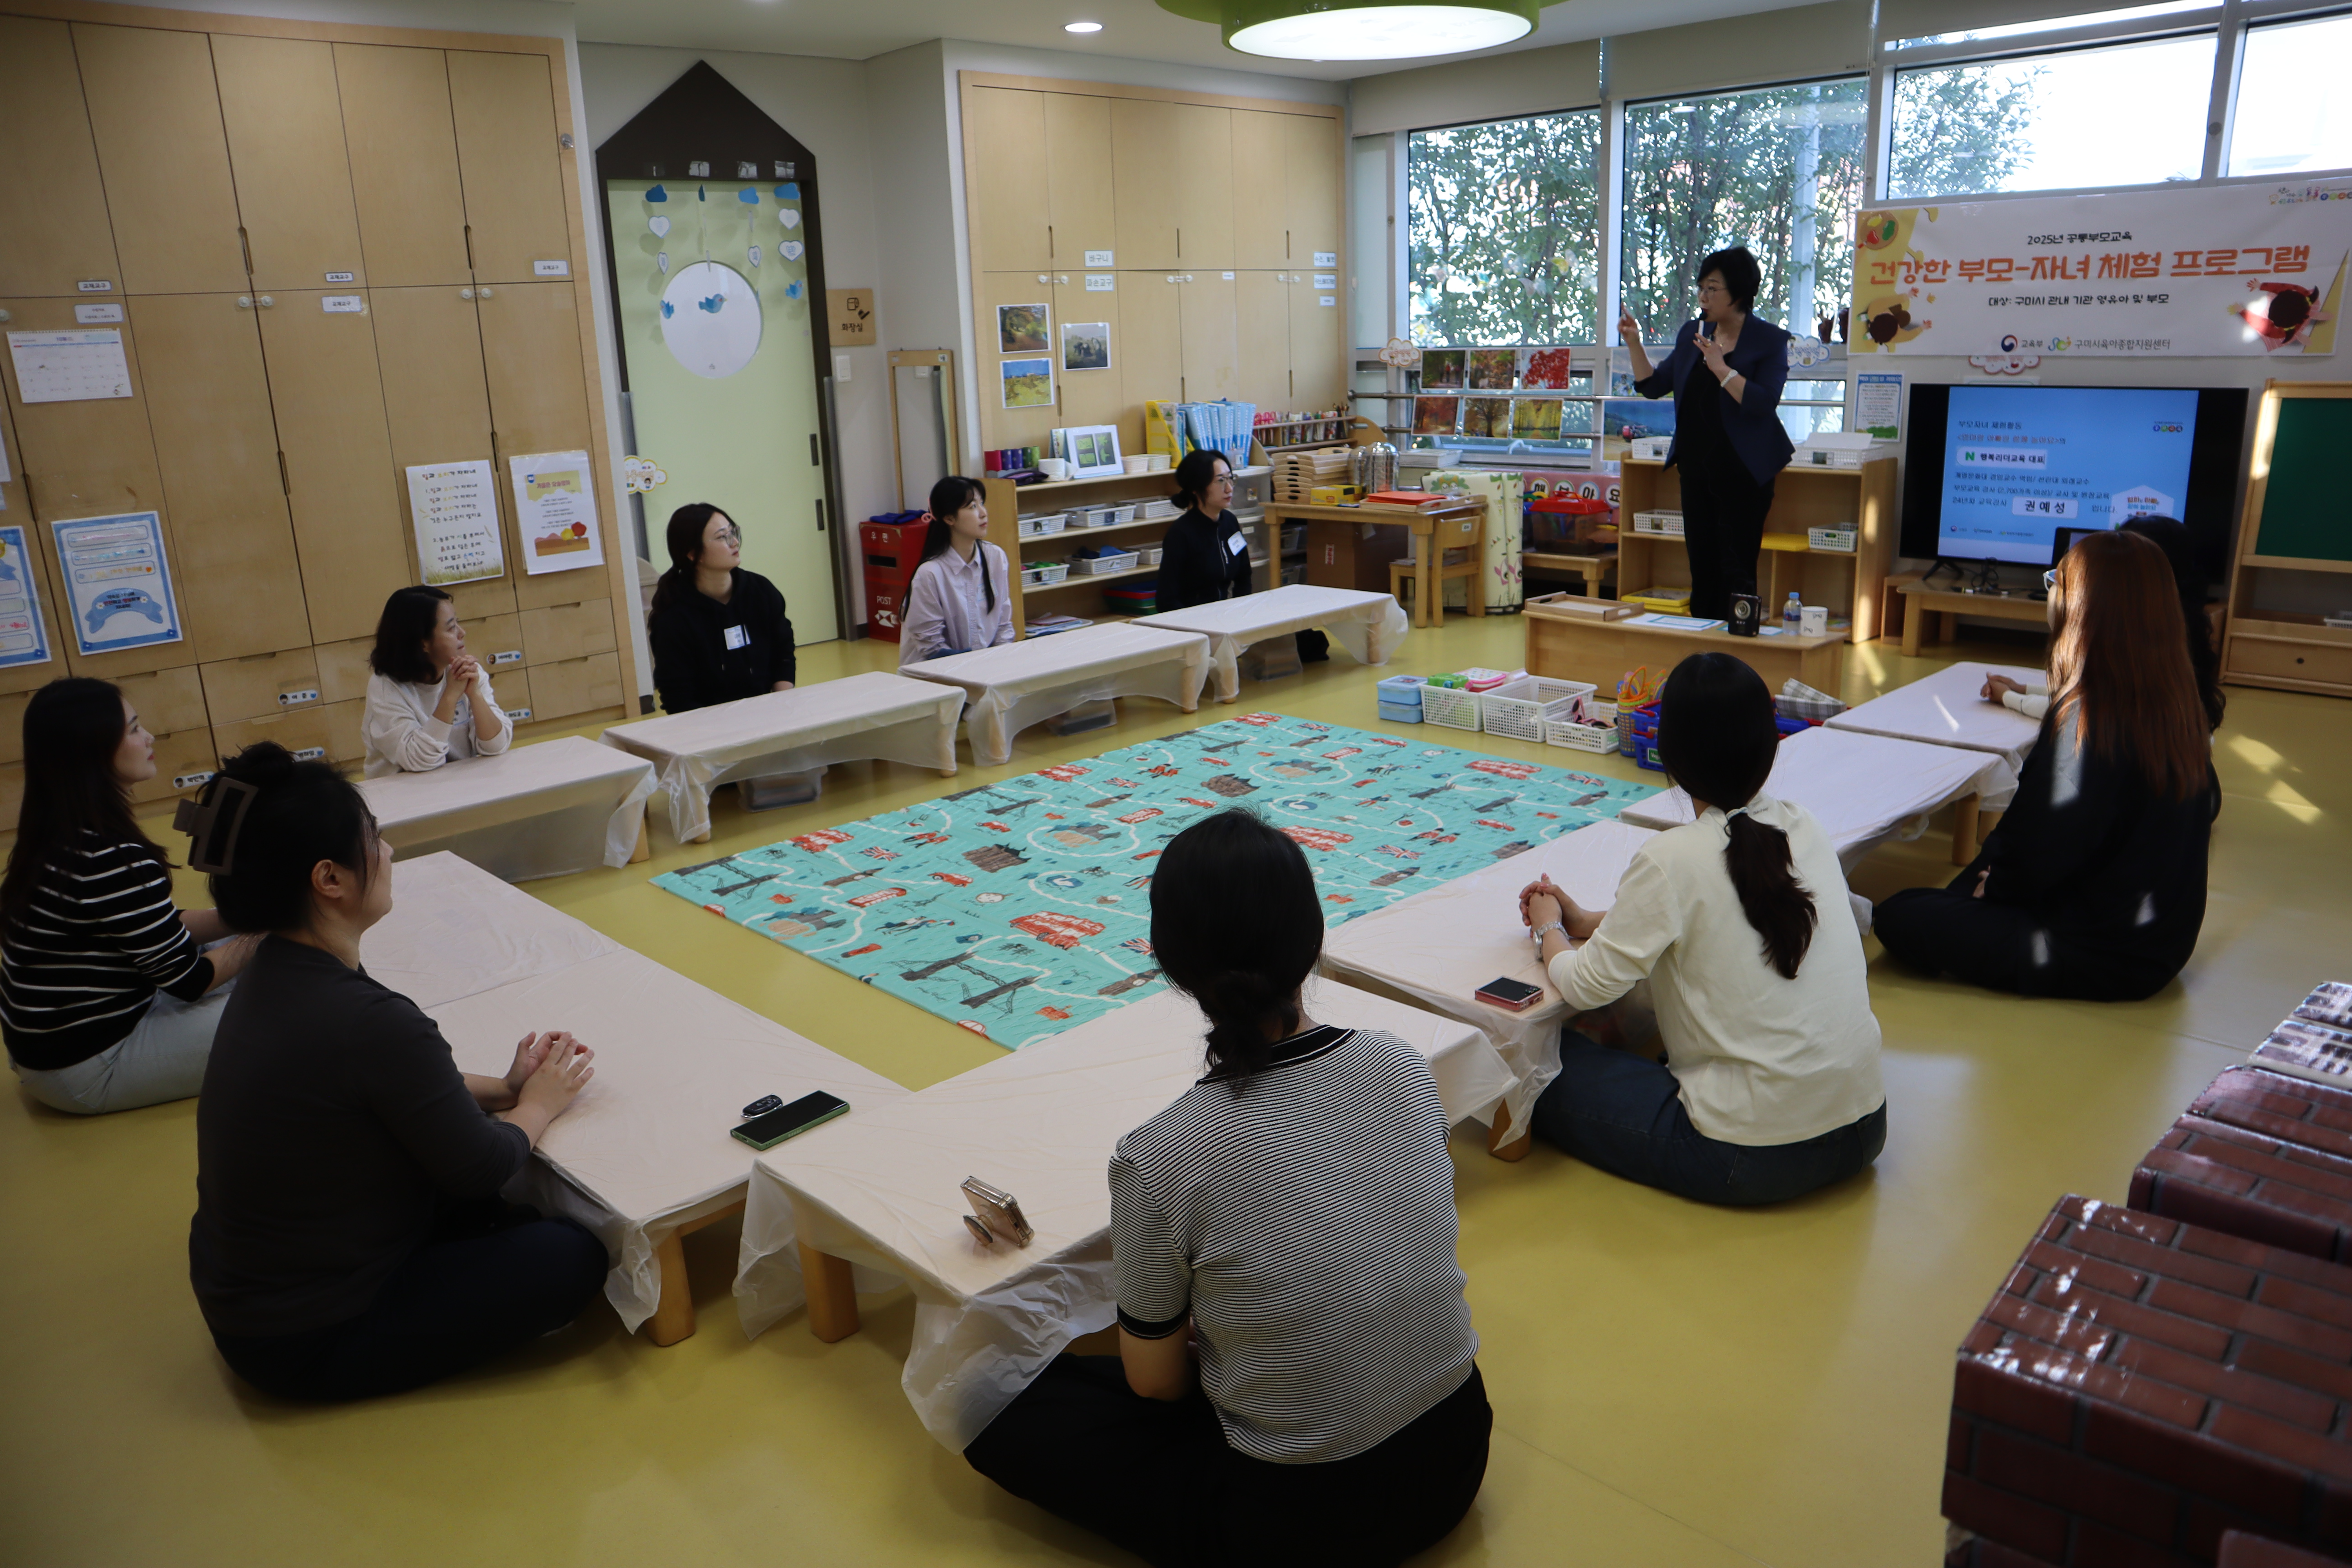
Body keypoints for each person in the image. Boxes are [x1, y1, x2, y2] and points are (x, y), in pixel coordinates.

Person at [965, 809, 1490, 1567]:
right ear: (1311, 938)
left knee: (996, 1407)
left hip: (1300, 1524)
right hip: (1456, 1457)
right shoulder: (1403, 1065)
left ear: (1170, 963)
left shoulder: (1159, 1154)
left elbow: (1155, 1387)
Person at [187, 743, 606, 1401]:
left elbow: (387, 1089)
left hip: (255, 1296)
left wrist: (506, 1086)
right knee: (570, 1255)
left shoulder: (279, 971)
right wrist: (540, 1105)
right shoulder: (365, 1017)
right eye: (373, 840)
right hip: (304, 1339)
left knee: (484, 1199)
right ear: (330, 879)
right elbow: (480, 1165)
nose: (387, 855)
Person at [1519, 653, 1886, 1205]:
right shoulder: (1801, 823)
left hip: (1749, 1157)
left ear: (1669, 754)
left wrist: (1548, 929)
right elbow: (1726, 912)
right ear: (1770, 744)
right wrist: (1591, 921)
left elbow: (1586, 985)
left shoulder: (1671, 858)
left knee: (1538, 1066)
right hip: (1865, 1126)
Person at [1877, 529, 2220, 1002]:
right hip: (2159, 943)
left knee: (1900, 914)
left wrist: (1996, 889)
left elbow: (2043, 845)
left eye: (2055, 582)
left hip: (2100, 953)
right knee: (1981, 867)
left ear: (2080, 605)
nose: (2051, 593)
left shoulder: (2088, 717)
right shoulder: (2175, 700)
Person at [1, 679, 258, 1114]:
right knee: (295, 1007)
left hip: (54, 1048)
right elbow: (191, 980)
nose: (149, 738)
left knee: (258, 962)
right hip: (88, 1067)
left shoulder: (54, 836)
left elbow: (154, 928)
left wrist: (241, 918)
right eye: (134, 729)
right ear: (94, 749)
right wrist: (270, 930)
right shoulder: (109, 856)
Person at [1618, 246, 1796, 622]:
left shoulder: (1770, 340)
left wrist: (1721, 368)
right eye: (1701, 287)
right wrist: (1634, 342)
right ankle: (1703, 658)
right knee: (1702, 566)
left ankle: (1739, 650)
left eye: (1713, 288)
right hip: (1697, 472)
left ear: (1740, 294)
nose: (1703, 296)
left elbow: (1763, 404)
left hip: (1745, 474)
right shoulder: (1692, 334)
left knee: (1737, 567)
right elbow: (1652, 385)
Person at [1982, 516, 2225, 733]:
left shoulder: (2128, 637)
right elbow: (2086, 696)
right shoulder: (2176, 625)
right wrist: (2022, 689)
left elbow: (2078, 709)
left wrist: (2009, 697)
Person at [646, 502, 796, 713]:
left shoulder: (760, 591)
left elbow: (784, 654)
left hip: (767, 712)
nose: (734, 542)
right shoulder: (674, 618)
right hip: (707, 725)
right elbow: (678, 697)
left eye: (733, 532)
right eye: (722, 537)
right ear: (693, 553)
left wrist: (782, 706)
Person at [361, 586, 513, 777]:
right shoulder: (385, 687)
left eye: (458, 623)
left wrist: (474, 695)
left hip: (459, 785)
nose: (462, 633)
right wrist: (450, 696)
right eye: (451, 628)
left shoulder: (464, 670)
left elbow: (496, 746)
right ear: (423, 643)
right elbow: (420, 760)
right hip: (404, 795)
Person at [898, 475, 1014, 667]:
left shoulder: (995, 557)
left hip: (985, 668)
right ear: (949, 518)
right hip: (938, 674)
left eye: (982, 504)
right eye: (972, 507)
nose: (984, 513)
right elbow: (932, 647)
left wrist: (1000, 663)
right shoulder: (930, 573)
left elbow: (1003, 625)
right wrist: (974, 668)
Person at [1153, 449, 1252, 616]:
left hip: (1226, 616)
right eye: (1221, 481)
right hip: (1193, 623)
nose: (1229, 489)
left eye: (1230, 479)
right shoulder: (1181, 533)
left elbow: (1244, 576)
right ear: (1196, 488)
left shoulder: (1229, 522)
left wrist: (1240, 613)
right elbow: (1166, 600)